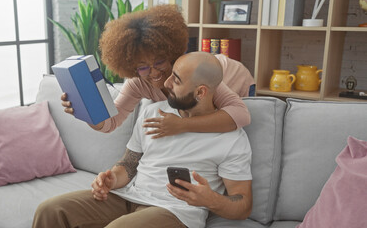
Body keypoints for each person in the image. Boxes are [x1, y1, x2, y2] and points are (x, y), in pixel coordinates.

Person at [33, 52, 253, 228]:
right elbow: (129, 163)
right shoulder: (153, 111)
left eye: (176, 80)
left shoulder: (231, 138)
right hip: (127, 197)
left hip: (174, 211)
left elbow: (243, 205)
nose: (165, 83)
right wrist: (111, 179)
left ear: (200, 93)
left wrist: (210, 199)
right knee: (50, 210)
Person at [61, 4, 254, 138]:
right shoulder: (137, 83)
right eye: (143, 66)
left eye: (160, 62)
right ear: (132, 67)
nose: (154, 73)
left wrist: (182, 125)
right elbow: (111, 123)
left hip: (237, 78)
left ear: (171, 52)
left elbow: (241, 115)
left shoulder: (192, 73)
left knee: (236, 133)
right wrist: (86, 112)